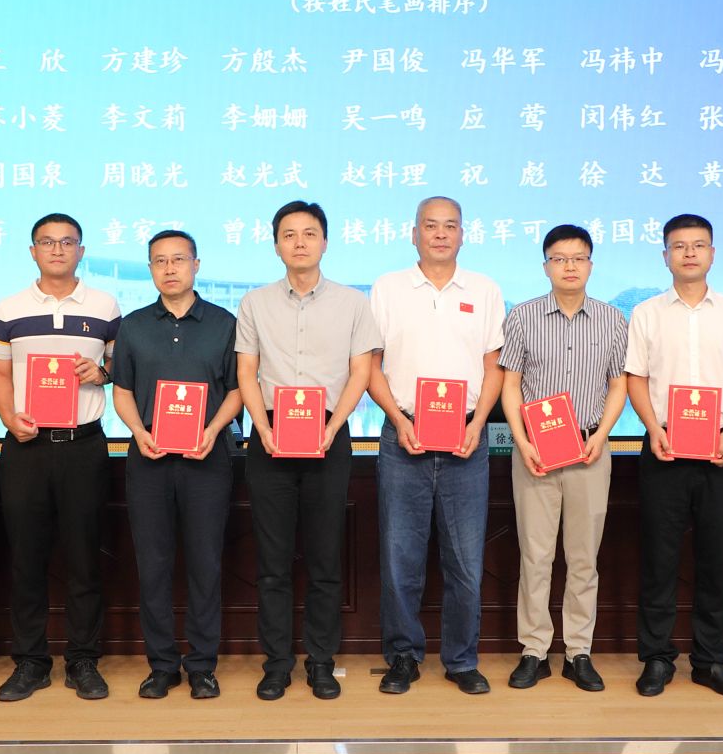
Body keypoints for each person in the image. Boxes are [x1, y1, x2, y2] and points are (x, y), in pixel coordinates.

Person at [235, 201, 380, 701]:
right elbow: (246, 370)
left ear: (325, 242)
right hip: (271, 436)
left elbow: (361, 371)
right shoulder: (255, 302)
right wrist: (261, 427)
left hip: (327, 435)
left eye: (309, 233)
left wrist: (333, 426)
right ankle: (277, 663)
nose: (299, 242)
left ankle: (321, 661)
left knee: (324, 558)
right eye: (289, 234)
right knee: (272, 562)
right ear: (276, 244)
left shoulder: (353, 303)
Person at [623, 213, 723, 699]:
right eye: (679, 246)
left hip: (719, 451)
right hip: (663, 447)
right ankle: (656, 658)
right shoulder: (647, 313)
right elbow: (636, 377)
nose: (689, 253)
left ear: (712, 253)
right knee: (659, 559)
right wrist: (652, 428)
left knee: (715, 559)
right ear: (665, 255)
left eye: (698, 245)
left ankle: (711, 661)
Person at [366, 196, 505, 695]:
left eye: (450, 226)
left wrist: (479, 423)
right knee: (400, 559)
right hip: (403, 436)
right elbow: (370, 366)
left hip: (467, 437)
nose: (440, 234)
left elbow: (493, 366)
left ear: (463, 234)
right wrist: (398, 419)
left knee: (465, 562)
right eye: (431, 225)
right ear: (414, 233)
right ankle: (402, 657)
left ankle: (462, 660)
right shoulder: (388, 288)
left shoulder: (485, 290)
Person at [0, 213, 121, 702]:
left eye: (67, 242)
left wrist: (100, 373)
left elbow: (117, 365)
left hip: (83, 445)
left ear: (81, 251)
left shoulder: (105, 305)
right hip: (26, 448)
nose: (58, 250)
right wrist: (9, 417)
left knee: (84, 558)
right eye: (47, 242)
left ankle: (83, 660)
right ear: (33, 251)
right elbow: (0, 374)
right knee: (27, 558)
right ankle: (31, 662)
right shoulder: (10, 308)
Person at [110, 230, 244, 700]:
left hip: (207, 457)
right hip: (148, 458)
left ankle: (203, 665)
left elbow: (238, 389)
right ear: (150, 269)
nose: (170, 268)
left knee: (205, 564)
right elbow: (122, 391)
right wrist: (138, 431)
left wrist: (213, 430)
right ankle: (162, 665)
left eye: (179, 259)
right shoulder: (133, 326)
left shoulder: (225, 323)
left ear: (196, 264)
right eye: (159, 261)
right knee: (154, 565)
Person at [501, 224, 629, 693]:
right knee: (535, 556)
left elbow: (619, 383)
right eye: (559, 258)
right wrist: (523, 442)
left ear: (591, 265)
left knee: (583, 558)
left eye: (578, 258)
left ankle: (579, 651)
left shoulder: (613, 320)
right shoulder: (523, 317)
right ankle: (534, 650)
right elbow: (510, 384)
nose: (569, 266)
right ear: (546, 266)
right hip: (535, 451)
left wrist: (603, 435)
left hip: (590, 450)